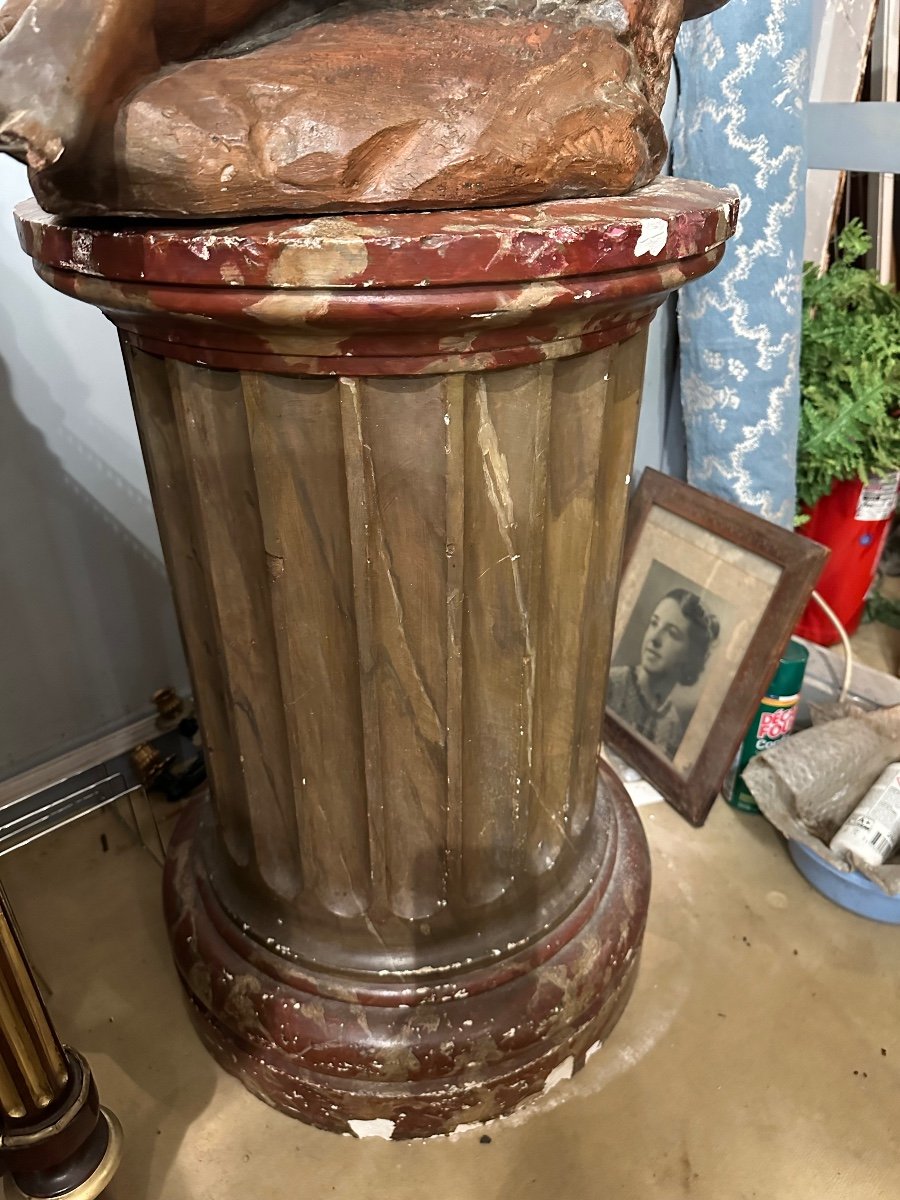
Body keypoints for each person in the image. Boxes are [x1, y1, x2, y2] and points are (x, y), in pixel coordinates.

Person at [607, 587, 720, 759]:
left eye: (672, 633)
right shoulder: (610, 684)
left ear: (690, 654)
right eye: (654, 623)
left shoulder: (672, 725)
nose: (655, 638)